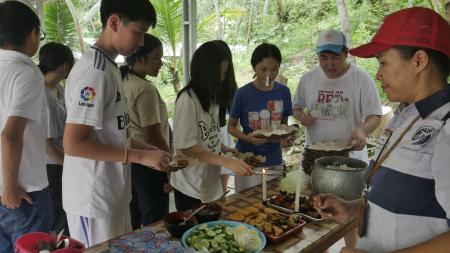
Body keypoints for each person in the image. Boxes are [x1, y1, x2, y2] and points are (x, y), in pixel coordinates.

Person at [314, 7, 450, 253]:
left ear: (419, 61)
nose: (378, 74)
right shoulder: (405, 115)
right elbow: (405, 201)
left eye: (384, 63)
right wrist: (354, 207)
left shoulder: (446, 128)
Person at [62, 0, 171, 246]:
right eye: (139, 32)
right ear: (114, 22)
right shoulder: (95, 72)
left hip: (112, 194)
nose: (141, 42)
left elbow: (114, 134)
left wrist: (150, 150)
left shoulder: (110, 68)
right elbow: (73, 143)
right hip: (93, 198)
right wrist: (140, 157)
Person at [171, 41, 253, 211]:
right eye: (218, 74)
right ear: (203, 71)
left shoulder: (213, 98)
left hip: (209, 181)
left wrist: (225, 149)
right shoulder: (188, 100)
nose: (221, 79)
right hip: (191, 186)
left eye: (224, 74)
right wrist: (226, 161)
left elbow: (208, 137)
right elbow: (187, 148)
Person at [0, 1, 52, 251]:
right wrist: (10, 187)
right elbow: (10, 135)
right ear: (32, 34)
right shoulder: (26, 72)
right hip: (23, 193)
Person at [292, 29, 382, 163]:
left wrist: (362, 131)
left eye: (335, 57)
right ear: (317, 55)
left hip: (351, 158)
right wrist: (301, 116)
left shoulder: (361, 78)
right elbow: (296, 108)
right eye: (324, 58)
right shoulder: (308, 78)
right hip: (314, 158)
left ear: (346, 53)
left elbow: (375, 116)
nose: (330, 64)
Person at [120, 34, 171, 228]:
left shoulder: (124, 80)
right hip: (151, 162)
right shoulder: (145, 89)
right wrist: (169, 164)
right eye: (156, 58)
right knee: (155, 220)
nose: (160, 63)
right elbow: (153, 135)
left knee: (134, 216)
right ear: (140, 58)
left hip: (131, 158)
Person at [228, 43, 293, 167]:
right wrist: (247, 138)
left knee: (275, 187)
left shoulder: (284, 91)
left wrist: (284, 138)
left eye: (274, 69)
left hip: (274, 158)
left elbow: (283, 124)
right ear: (254, 67)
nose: (269, 74)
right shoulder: (242, 93)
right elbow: (230, 127)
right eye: (263, 69)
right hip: (247, 159)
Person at [38, 42, 74, 235]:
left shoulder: (58, 88)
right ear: (65, 66)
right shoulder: (41, 93)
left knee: (65, 212)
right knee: (59, 213)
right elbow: (47, 146)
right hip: (52, 165)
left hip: (62, 159)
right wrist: (72, 166)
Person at [213, 40, 238, 194]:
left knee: (223, 171)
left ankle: (222, 194)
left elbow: (234, 115)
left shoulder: (229, 84)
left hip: (222, 131)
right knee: (213, 170)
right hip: (209, 133)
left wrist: (238, 135)